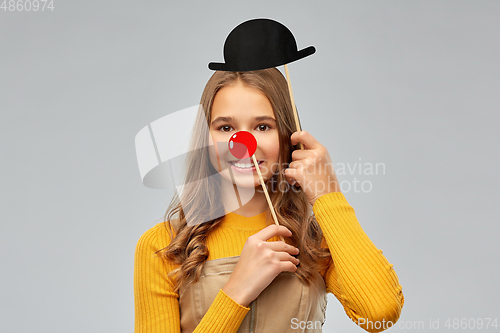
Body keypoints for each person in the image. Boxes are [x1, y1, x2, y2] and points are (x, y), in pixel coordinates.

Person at [134, 68, 404, 333]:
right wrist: (236, 292)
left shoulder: (315, 242)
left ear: (288, 136)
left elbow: (380, 312)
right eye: (226, 127)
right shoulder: (163, 246)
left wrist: (328, 193)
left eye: (262, 126)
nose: (243, 144)